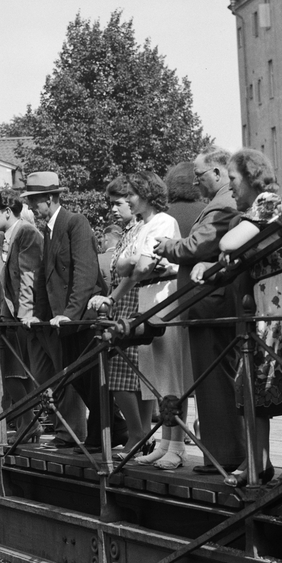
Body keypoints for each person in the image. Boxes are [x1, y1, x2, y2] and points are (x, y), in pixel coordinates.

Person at [216, 149, 282, 486]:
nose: (230, 187)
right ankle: (258, 461)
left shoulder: (268, 202)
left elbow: (231, 243)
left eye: (232, 179)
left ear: (250, 177)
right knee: (254, 378)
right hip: (268, 297)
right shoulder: (253, 210)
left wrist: (230, 237)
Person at [154, 148, 246, 476]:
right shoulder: (217, 204)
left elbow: (199, 245)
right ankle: (219, 454)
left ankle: (225, 455)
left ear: (218, 173)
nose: (196, 181)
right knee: (211, 383)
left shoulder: (222, 205)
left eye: (201, 174)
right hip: (207, 304)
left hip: (211, 305)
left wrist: (168, 246)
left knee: (215, 382)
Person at [22, 171, 123, 453]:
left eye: (36, 200)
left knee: (88, 377)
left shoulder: (75, 222)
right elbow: (45, 278)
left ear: (52, 198)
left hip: (83, 318)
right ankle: (116, 427)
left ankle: (102, 434)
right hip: (65, 319)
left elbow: (86, 272)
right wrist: (39, 315)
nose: (31, 206)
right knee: (77, 378)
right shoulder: (50, 230)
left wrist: (71, 313)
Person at [96, 172, 191, 470]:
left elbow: (140, 265)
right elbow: (127, 267)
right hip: (146, 297)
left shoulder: (164, 221)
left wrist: (134, 263)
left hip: (164, 297)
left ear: (147, 194)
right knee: (156, 374)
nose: (130, 199)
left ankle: (177, 446)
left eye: (133, 194)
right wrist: (114, 296)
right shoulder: (141, 226)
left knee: (171, 374)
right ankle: (163, 442)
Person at [0, 188, 42, 441]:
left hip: (20, 315)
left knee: (17, 372)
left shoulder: (26, 232)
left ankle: (30, 424)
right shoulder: (4, 236)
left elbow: (28, 275)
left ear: (7, 211)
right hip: (7, 314)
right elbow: (0, 278)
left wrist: (25, 313)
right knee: (7, 373)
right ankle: (28, 423)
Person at [93, 176, 144, 458]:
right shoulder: (127, 231)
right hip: (121, 304)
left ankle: (138, 433)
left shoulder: (138, 230)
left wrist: (111, 297)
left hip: (132, 302)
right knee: (127, 375)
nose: (113, 209)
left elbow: (133, 269)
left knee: (124, 374)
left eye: (118, 203)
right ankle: (139, 434)